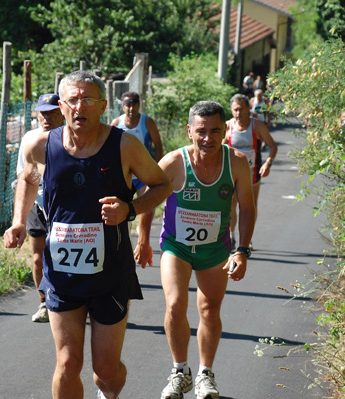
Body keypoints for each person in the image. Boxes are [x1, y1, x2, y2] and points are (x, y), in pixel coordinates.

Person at [3, 70, 172, 399]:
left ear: (103, 106)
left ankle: (109, 394)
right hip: (62, 272)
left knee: (106, 373)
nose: (80, 106)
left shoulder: (124, 145)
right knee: (67, 362)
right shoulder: (40, 145)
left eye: (89, 100)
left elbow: (162, 183)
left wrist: (130, 210)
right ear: (62, 105)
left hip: (110, 274)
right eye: (73, 100)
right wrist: (19, 221)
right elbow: (27, 179)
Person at [134, 101, 255, 399]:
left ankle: (205, 374)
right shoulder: (174, 162)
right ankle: (179, 371)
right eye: (201, 131)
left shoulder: (237, 162)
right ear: (189, 131)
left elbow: (249, 209)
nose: (208, 138)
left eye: (215, 130)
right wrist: (143, 240)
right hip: (176, 245)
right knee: (175, 304)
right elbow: (147, 199)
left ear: (225, 130)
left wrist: (241, 251)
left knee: (209, 310)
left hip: (216, 249)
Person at [15, 93, 64, 323]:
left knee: (61, 257)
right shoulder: (30, 139)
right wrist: (19, 220)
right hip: (39, 205)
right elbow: (23, 176)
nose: (47, 117)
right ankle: (44, 303)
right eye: (43, 113)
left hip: (64, 210)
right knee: (37, 259)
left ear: (62, 112)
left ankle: (67, 300)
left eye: (52, 112)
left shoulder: (69, 137)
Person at [110, 91, 164, 248]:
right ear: (122, 106)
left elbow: (158, 146)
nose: (131, 108)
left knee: (146, 203)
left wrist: (156, 167)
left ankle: (143, 238)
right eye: (127, 105)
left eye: (134, 104)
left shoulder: (147, 123)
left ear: (139, 105)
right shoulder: (116, 123)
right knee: (121, 207)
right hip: (124, 174)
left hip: (143, 173)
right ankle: (123, 237)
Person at [225, 94, 277, 249]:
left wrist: (268, 163)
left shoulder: (257, 126)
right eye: (235, 110)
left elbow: (273, 146)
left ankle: (246, 239)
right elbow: (219, 149)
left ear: (248, 108)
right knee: (231, 206)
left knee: (249, 207)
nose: (238, 113)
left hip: (252, 173)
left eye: (241, 109)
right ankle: (231, 235)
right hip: (232, 173)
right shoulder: (228, 126)